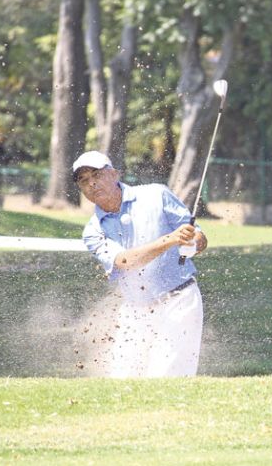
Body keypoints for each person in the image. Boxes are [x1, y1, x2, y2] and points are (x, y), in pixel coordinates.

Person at [73, 151, 208, 377]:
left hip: (179, 301)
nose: (91, 183)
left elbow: (199, 237)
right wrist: (170, 239)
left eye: (96, 174)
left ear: (115, 174)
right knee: (123, 381)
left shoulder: (157, 194)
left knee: (167, 378)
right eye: (83, 180)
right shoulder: (93, 231)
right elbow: (124, 261)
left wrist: (194, 241)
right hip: (134, 310)